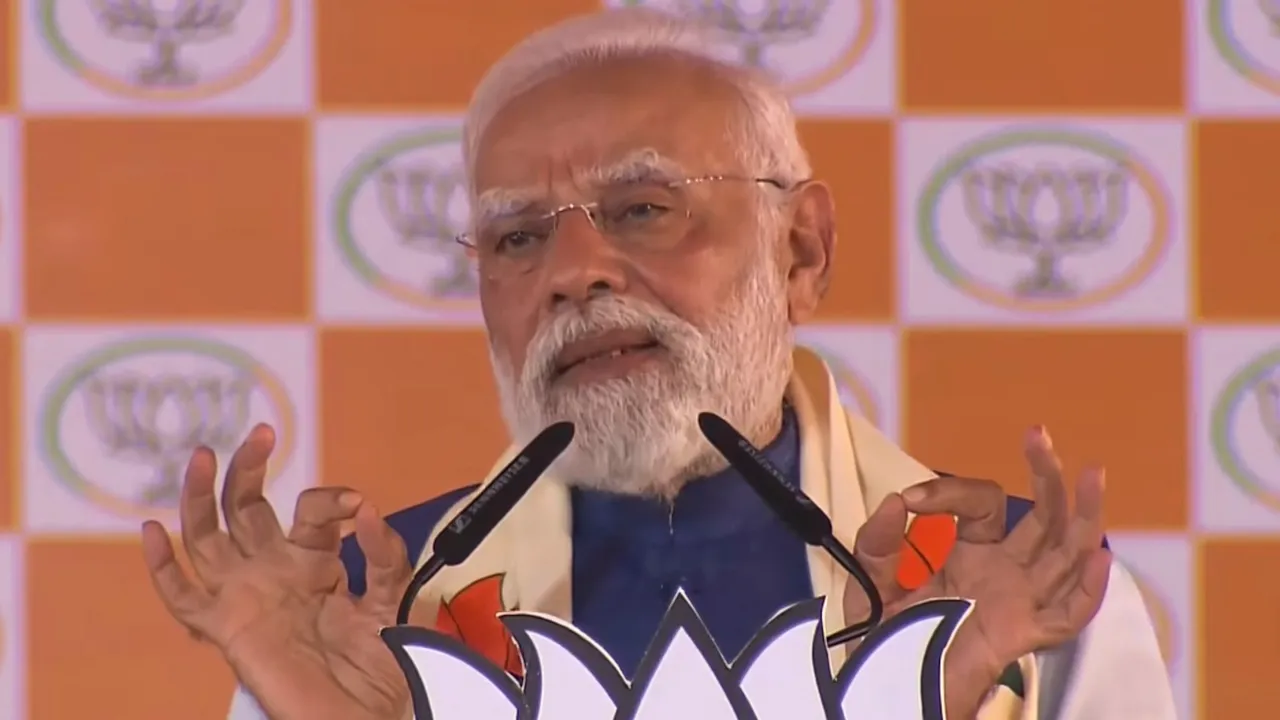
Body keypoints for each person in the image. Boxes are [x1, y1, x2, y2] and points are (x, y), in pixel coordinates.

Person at [140, 8, 1175, 720]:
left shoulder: (1017, 590)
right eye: (515, 239)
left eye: (642, 209)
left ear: (799, 250)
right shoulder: (361, 615)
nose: (574, 273)